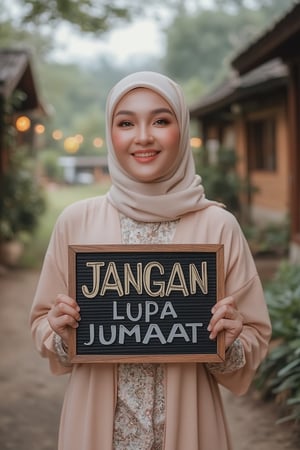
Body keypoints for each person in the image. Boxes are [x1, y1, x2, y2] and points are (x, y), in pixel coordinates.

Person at [30, 71, 272, 450]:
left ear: (182, 128)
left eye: (161, 120)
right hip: (95, 431)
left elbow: (255, 339)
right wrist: (60, 332)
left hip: (190, 429)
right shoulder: (75, 223)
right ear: (112, 134)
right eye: (126, 123)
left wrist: (229, 341)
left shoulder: (218, 226)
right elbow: (42, 323)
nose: (143, 136)